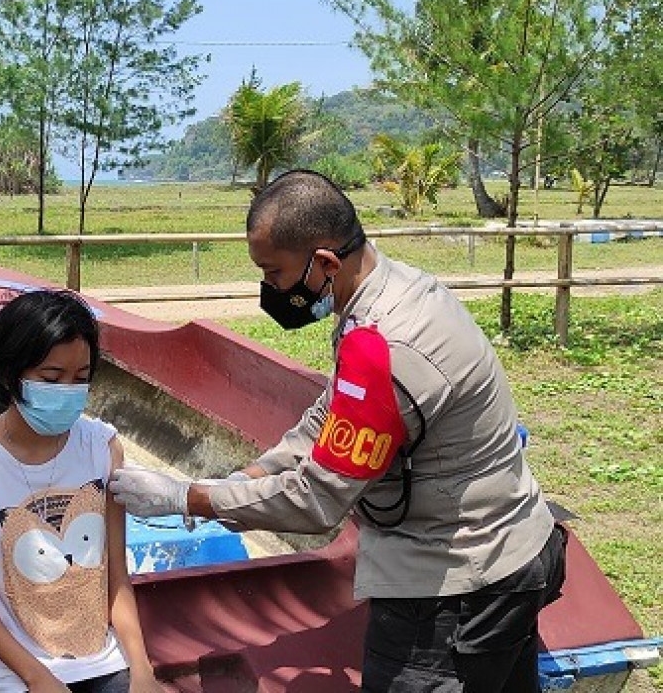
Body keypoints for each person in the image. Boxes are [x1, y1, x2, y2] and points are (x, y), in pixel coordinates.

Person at [109, 169, 567, 692]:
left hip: (458, 589)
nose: (271, 289)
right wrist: (252, 473)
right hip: (511, 550)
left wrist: (189, 498)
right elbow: (330, 412)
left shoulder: (388, 350)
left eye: (275, 273)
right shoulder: (390, 291)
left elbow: (318, 500)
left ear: (324, 263)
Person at [0, 290, 162, 693]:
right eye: (52, 379)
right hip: (14, 674)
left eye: (81, 378)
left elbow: (116, 575)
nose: (69, 391)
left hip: (101, 662)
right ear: (9, 375)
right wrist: (38, 679)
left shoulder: (103, 448)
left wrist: (142, 671)